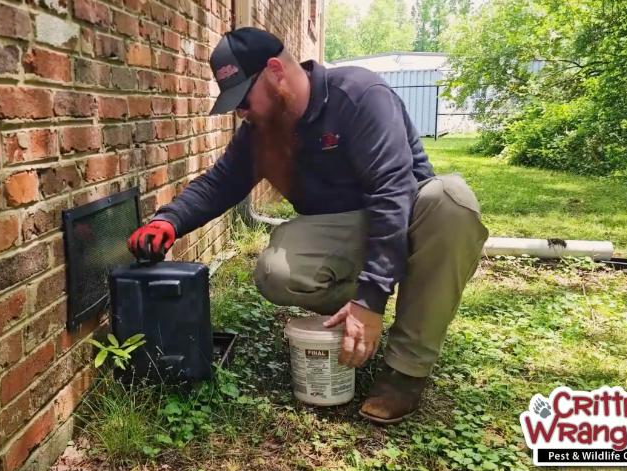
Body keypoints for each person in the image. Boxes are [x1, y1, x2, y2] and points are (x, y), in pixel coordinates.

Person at [127, 27, 489, 424]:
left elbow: (392, 192)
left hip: (409, 215)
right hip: (341, 227)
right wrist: (168, 221)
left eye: (244, 99)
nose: (240, 112)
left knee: (453, 201)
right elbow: (219, 183)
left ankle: (406, 370)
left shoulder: (359, 95)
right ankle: (353, 318)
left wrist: (370, 300)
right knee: (275, 273)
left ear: (275, 71)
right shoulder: (261, 131)